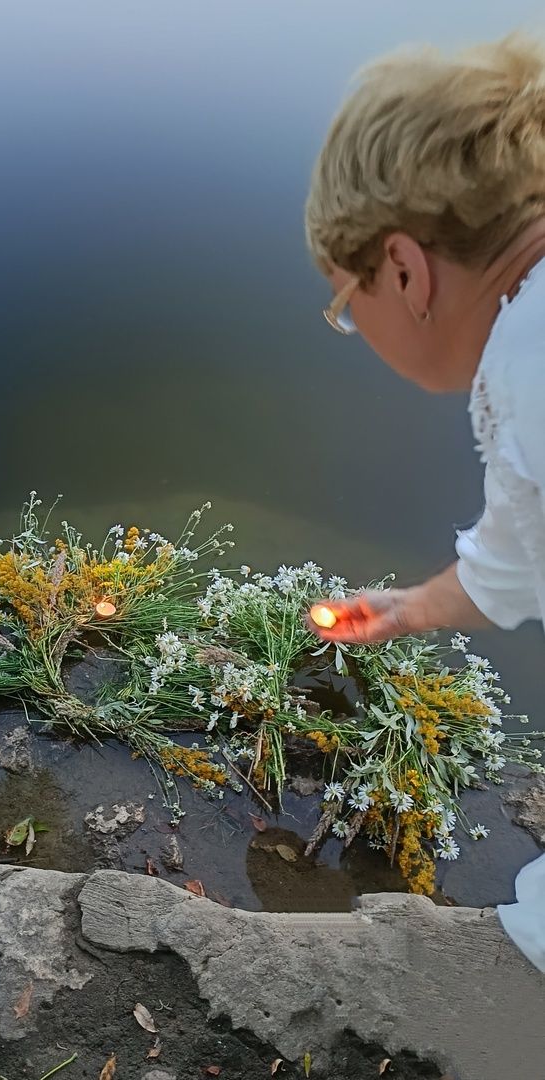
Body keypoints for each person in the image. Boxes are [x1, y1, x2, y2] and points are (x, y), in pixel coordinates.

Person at [304, 32, 545, 973]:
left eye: (342, 305)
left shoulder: (532, 364)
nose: (352, 328)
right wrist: (403, 611)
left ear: (401, 270)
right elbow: (522, 558)